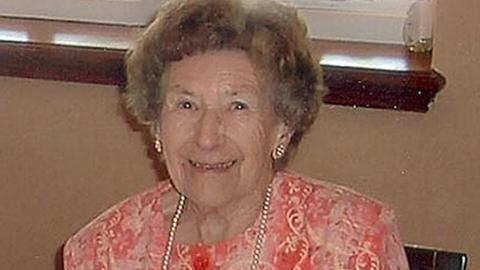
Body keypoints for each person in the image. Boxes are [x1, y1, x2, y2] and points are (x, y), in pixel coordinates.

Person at [63, 0, 409, 269]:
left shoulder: (355, 244)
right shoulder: (102, 251)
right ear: (155, 125)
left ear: (283, 126)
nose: (207, 138)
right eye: (186, 105)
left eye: (238, 106)